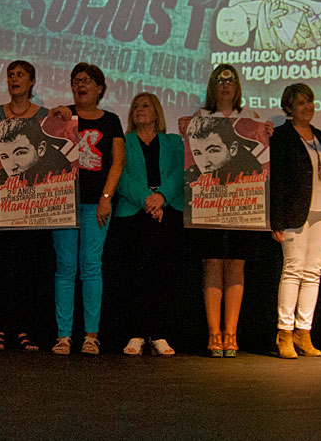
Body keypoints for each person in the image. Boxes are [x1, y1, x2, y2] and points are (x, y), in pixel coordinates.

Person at [191, 63, 271, 358]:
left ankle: (231, 334)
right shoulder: (200, 119)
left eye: (231, 80)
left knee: (236, 264)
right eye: (220, 80)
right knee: (212, 263)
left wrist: (267, 133)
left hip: (243, 203)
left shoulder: (251, 118)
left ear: (237, 86)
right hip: (209, 202)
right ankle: (213, 334)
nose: (225, 85)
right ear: (213, 86)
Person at [0, 60, 54, 352]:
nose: (14, 79)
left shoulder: (44, 117)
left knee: (28, 267)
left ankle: (24, 329)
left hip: (32, 204)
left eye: (20, 75)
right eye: (11, 75)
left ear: (32, 81)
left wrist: (62, 119)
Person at [49, 63, 125, 355]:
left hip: (96, 202)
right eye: (75, 81)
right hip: (63, 202)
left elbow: (117, 161)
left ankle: (91, 335)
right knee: (65, 268)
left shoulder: (112, 120)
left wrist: (107, 196)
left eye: (87, 81)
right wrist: (53, 116)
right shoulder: (63, 116)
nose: (80, 85)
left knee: (91, 267)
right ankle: (64, 335)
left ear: (100, 89)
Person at [109, 92, 184, 356]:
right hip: (133, 213)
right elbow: (120, 175)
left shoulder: (174, 142)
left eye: (146, 106)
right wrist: (147, 200)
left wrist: (161, 197)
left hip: (167, 212)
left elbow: (179, 174)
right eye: (136, 106)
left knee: (162, 274)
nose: (140, 110)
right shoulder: (123, 142)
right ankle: (137, 333)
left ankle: (160, 333)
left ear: (157, 112)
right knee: (134, 275)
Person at [269, 83, 321, 359]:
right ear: (289, 108)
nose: (307, 108)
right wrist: (277, 221)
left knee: (313, 272)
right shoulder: (282, 136)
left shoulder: (319, 135)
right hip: (294, 213)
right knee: (293, 269)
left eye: (310, 102)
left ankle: (303, 332)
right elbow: (277, 181)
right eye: (300, 103)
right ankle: (284, 332)